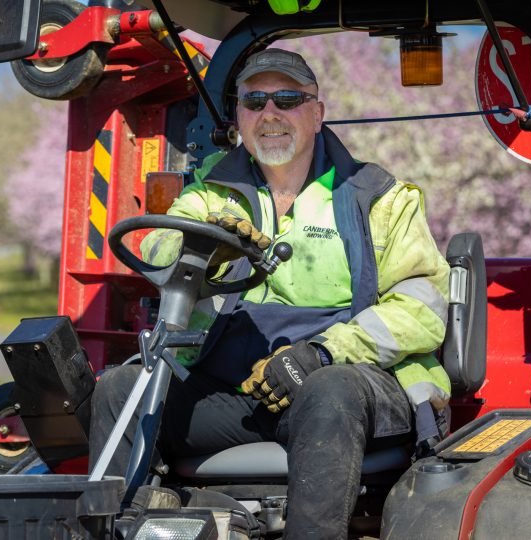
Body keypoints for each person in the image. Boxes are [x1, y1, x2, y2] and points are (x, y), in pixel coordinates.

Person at [90, 48, 451, 538]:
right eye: (255, 101)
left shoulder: (379, 198)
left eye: (288, 98)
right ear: (238, 117)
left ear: (317, 112)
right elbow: (157, 248)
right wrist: (202, 252)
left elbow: (421, 308)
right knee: (118, 389)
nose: (271, 114)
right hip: (242, 391)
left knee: (330, 391)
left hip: (354, 383)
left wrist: (323, 353)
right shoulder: (210, 193)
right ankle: (128, 526)